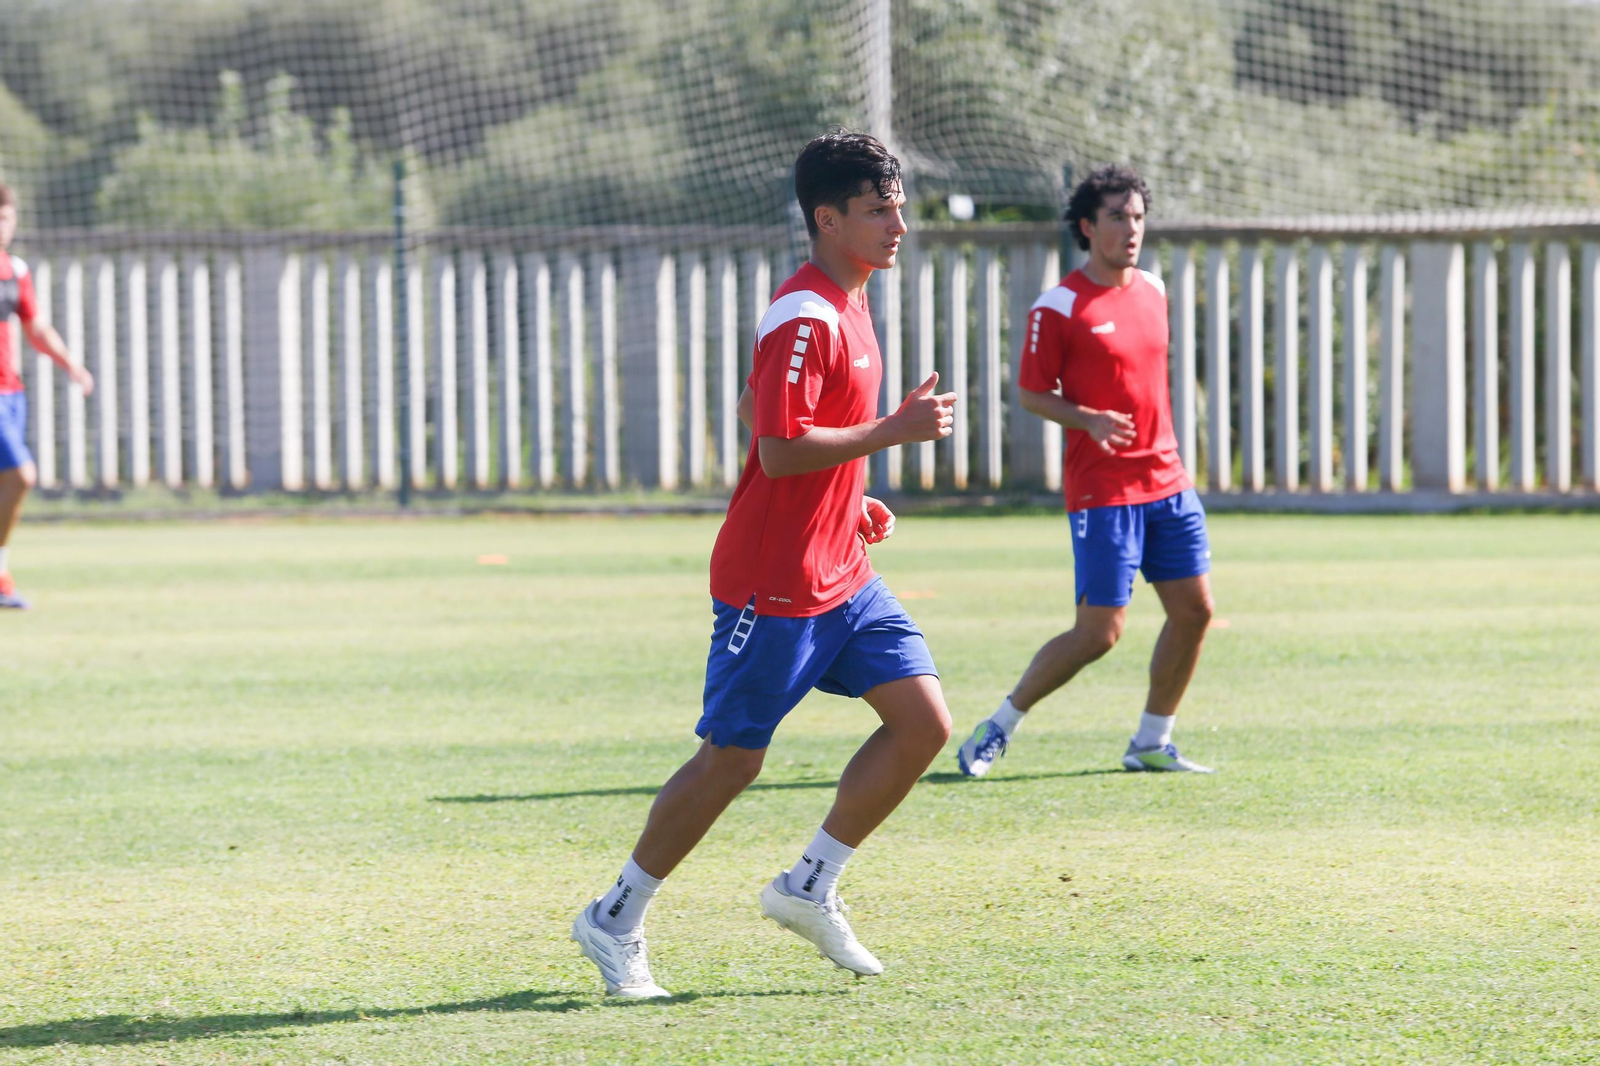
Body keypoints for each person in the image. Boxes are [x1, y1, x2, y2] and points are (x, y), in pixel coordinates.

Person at [572, 130, 959, 998]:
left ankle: (808, 885)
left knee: (924, 724)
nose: (898, 223)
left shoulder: (851, 299)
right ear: (828, 219)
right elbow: (778, 446)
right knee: (732, 760)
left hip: (844, 573)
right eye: (877, 209)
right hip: (774, 583)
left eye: (898, 205)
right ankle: (615, 916)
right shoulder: (808, 310)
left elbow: (760, 404)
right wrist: (890, 434)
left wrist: (848, 494)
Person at [955, 165, 1215, 778]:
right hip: (1105, 490)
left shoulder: (1153, 289)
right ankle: (1000, 724)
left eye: (1138, 217)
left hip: (1169, 483)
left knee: (1195, 611)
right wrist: (1087, 418)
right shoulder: (1059, 306)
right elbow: (1030, 393)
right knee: (1099, 633)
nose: (1131, 229)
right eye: (1118, 217)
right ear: (1086, 227)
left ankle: (1152, 740)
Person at [0, 183, 95, 610]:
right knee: (23, 476)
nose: (1, 226)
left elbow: (34, 326)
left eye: (5, 218)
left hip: (12, 391)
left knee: (10, 484)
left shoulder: (16, 271)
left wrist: (70, 363)